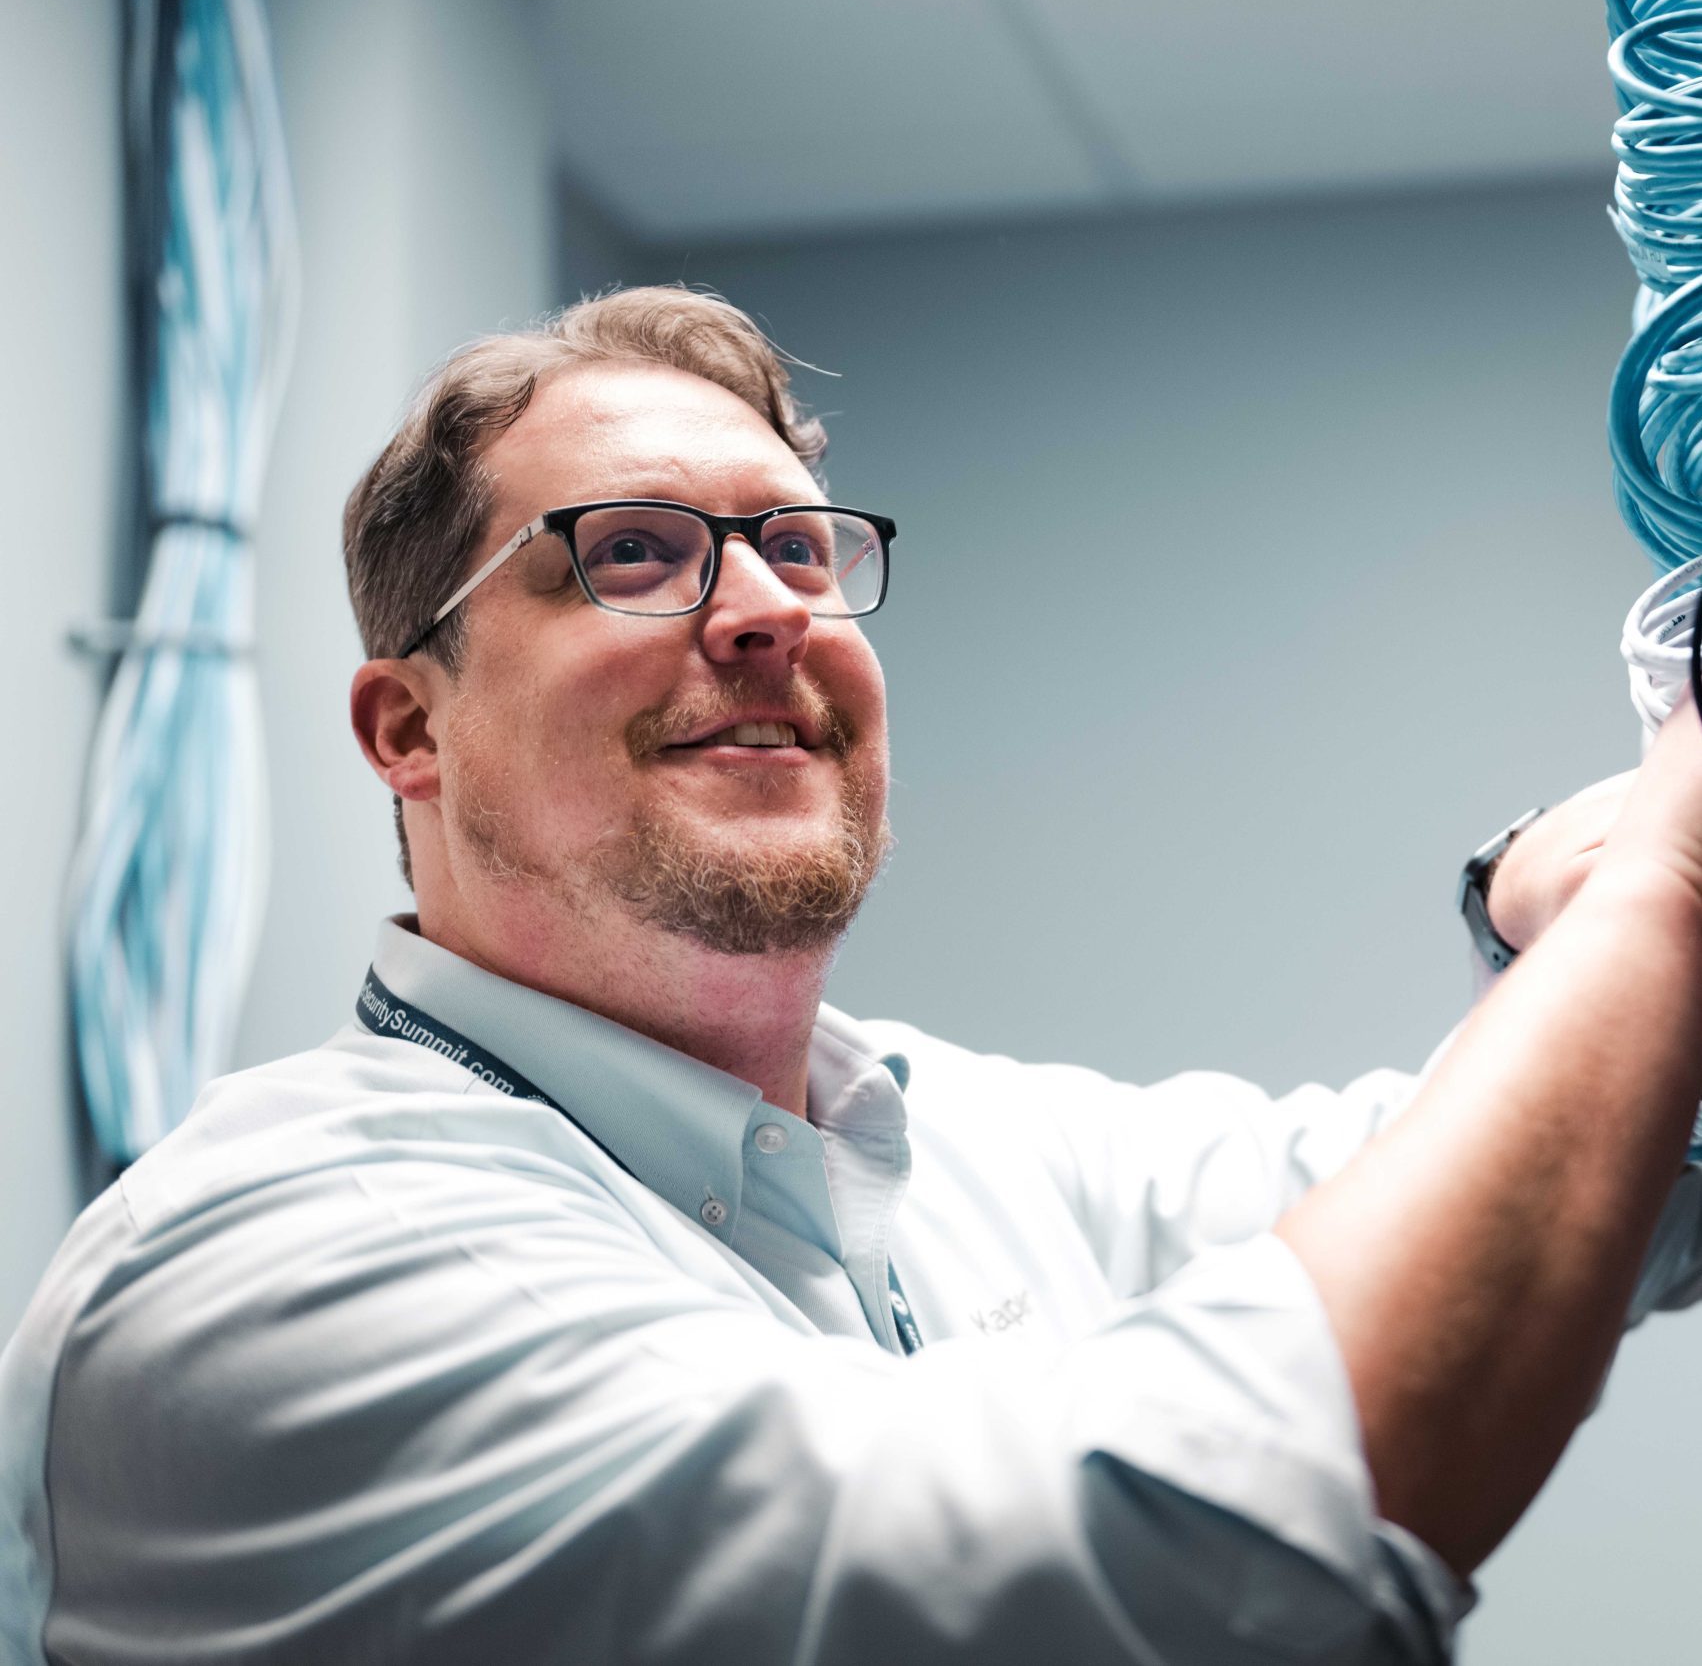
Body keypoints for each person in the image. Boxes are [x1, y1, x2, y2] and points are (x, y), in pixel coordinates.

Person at [6, 285, 1702, 1666]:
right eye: (634, 551)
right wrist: (1663, 897)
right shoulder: (267, 1266)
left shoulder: (947, 1135)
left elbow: (1577, 1189)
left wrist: (1544, 882)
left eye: (800, 550)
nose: (763, 611)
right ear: (409, 727)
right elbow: (1162, 1588)